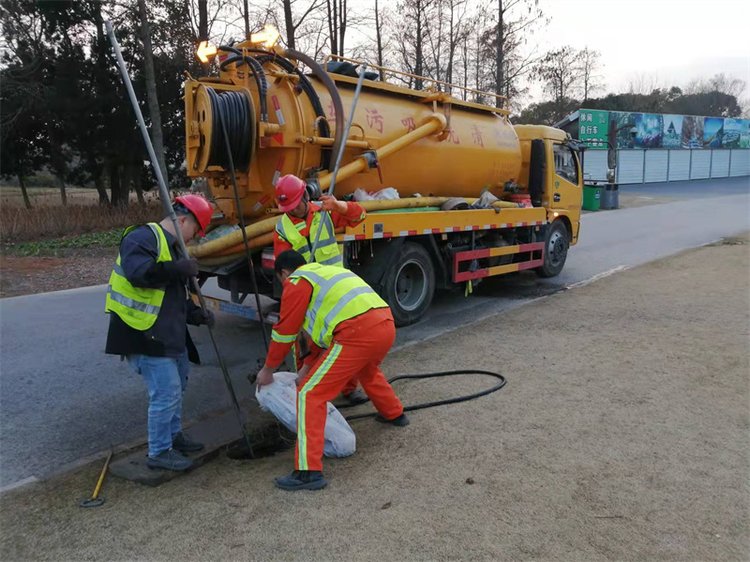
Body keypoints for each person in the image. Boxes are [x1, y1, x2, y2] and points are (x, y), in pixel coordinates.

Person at [256, 250, 409, 491]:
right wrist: (307, 367)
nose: (283, 284)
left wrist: (267, 370)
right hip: (385, 323)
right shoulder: (324, 274)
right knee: (367, 371)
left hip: (356, 331)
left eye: (280, 279)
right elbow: (319, 335)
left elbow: (285, 331)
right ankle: (394, 414)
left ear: (284, 273)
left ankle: (308, 472)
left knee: (309, 394)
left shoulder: (296, 282)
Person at [105, 194, 215, 472]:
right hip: (143, 332)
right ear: (182, 220)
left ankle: (172, 436)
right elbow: (137, 273)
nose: (194, 238)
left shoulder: (175, 247)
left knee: (177, 388)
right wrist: (176, 268)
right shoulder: (142, 238)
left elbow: (173, 295)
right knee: (165, 393)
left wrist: (196, 315)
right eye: (196, 230)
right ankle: (159, 451)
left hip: (169, 334)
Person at [273, 174, 369, 405]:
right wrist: (293, 297)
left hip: (334, 291)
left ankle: (349, 388)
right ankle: (306, 390)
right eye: (288, 207)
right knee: (306, 345)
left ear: (306, 195)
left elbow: (360, 215)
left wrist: (338, 205)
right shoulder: (282, 227)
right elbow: (283, 266)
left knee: (343, 340)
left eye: (296, 204)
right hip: (307, 294)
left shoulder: (325, 211)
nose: (292, 210)